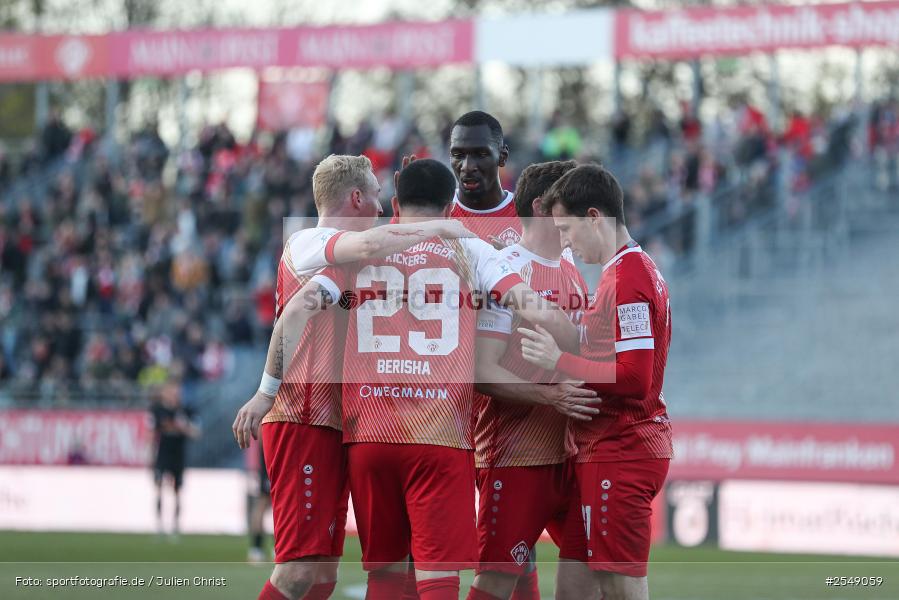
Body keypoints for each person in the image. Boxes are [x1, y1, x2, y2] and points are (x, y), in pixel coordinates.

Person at [253, 158, 580, 600]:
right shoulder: (474, 251)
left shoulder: (359, 250)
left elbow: (304, 306)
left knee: (384, 578)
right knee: (437, 581)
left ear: (393, 204)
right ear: (450, 208)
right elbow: (534, 308)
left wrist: (263, 391)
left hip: (367, 437)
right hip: (439, 436)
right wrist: (577, 344)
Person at [232, 154, 476, 600]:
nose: (385, 209)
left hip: (338, 425)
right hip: (303, 418)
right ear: (358, 197)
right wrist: (266, 394)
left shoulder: (351, 255)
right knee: (298, 570)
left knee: (324, 573)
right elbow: (297, 311)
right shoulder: (309, 243)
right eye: (381, 198)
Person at [517, 164, 673, 600]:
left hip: (620, 450)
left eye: (567, 228)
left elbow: (635, 379)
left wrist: (560, 360)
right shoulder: (628, 271)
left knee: (620, 590)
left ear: (593, 217)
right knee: (574, 589)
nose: (564, 240)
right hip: (603, 449)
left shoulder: (628, 279)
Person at [468, 160, 597, 600]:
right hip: (514, 455)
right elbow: (481, 372)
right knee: (497, 583)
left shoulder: (572, 267)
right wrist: (552, 397)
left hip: (572, 455)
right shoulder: (504, 272)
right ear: (543, 207)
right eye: (569, 201)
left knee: (593, 576)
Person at [448, 111, 522, 249]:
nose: (467, 167)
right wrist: (403, 218)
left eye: (481, 154)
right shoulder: (437, 211)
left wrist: (513, 260)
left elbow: (563, 270)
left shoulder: (527, 216)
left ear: (502, 157)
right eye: (458, 155)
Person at [151, 380, 200, 540]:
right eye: (171, 391)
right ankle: (159, 526)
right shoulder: (157, 410)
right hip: (163, 454)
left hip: (178, 455)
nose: (174, 395)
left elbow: (196, 432)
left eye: (176, 392)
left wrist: (182, 427)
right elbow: (152, 432)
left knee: (177, 491)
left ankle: (175, 526)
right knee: (158, 488)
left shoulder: (186, 411)